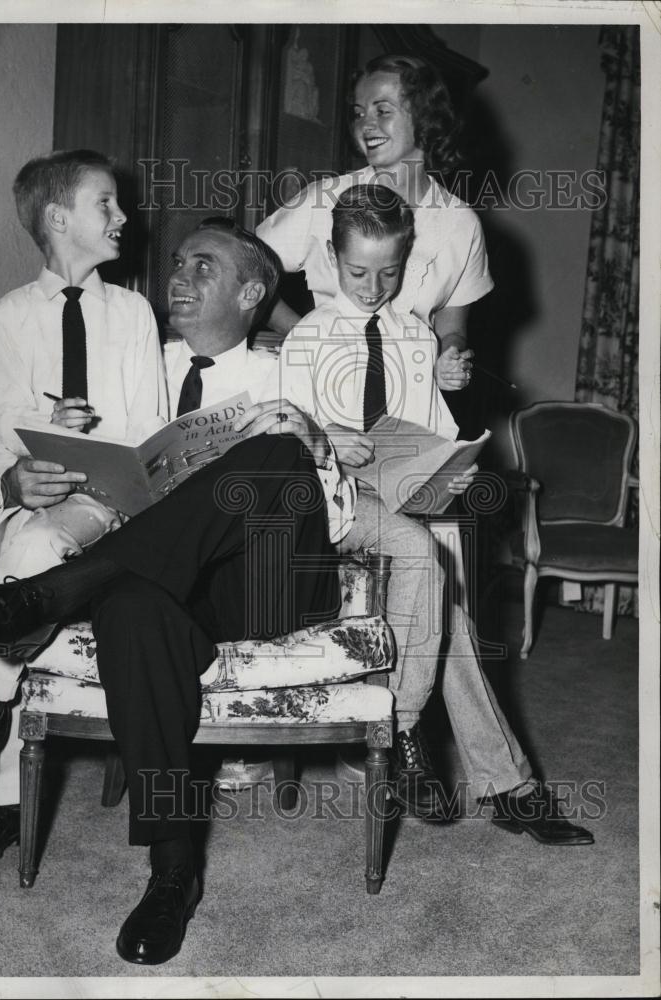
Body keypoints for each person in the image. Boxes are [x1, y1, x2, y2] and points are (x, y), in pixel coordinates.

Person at [0, 220, 346, 965]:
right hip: (163, 582)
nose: (177, 278)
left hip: (272, 584)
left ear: (251, 292)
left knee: (273, 450)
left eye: (202, 267)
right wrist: (17, 480)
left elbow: (342, 518)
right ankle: (173, 869)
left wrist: (310, 445)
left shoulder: (297, 368)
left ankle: (49, 596)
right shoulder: (137, 363)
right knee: (129, 607)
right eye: (177, 263)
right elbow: (34, 449)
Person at [247, 184, 594, 841]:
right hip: (333, 510)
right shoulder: (306, 337)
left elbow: (429, 439)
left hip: (407, 504)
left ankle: (458, 768)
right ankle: (479, 773)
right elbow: (278, 447)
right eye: (356, 272)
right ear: (329, 257)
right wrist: (324, 437)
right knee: (440, 594)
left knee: (449, 609)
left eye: (388, 272)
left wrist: (449, 464)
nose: (373, 286)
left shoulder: (415, 338)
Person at [0, 149, 168, 863]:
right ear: (59, 218)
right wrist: (22, 471)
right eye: (107, 203)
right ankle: (3, 787)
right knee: (27, 548)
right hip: (41, 494)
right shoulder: (11, 314)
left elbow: (150, 425)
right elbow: (0, 419)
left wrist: (99, 455)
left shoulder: (131, 313)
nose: (124, 216)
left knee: (24, 560)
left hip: (112, 500)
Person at [256, 53, 484, 393]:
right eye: (359, 113)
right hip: (324, 387)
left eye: (383, 111)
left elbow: (452, 325)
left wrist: (451, 357)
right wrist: (304, 335)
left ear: (425, 117)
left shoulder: (461, 223)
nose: (366, 125)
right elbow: (248, 266)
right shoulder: (324, 199)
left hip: (410, 394)